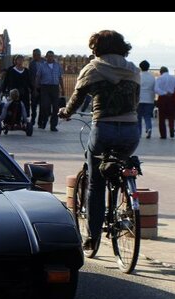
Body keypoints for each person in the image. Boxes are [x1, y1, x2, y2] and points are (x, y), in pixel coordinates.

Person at [58, 30, 141, 250]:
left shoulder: (93, 68)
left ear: (96, 48)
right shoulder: (133, 69)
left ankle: (92, 237)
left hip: (103, 128)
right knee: (121, 166)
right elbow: (136, 100)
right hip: (132, 130)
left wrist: (65, 113)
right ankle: (126, 203)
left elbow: (75, 100)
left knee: (96, 182)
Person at [36, 50, 64, 131]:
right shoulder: (42, 66)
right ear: (46, 57)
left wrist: (62, 88)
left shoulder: (57, 66)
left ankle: (53, 125)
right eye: (49, 56)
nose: (50, 58)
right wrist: (36, 87)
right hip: (45, 87)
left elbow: (60, 78)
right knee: (45, 106)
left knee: (56, 107)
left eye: (52, 56)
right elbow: (38, 77)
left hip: (55, 88)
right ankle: (43, 122)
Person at [0, 54, 32, 123]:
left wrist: (33, 90)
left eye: (21, 60)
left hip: (24, 92)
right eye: (18, 60)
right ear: (15, 61)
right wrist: (3, 90)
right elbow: (6, 81)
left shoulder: (26, 71)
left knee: (24, 106)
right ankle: (9, 119)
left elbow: (29, 82)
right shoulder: (11, 70)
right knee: (11, 105)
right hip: (13, 92)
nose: (20, 61)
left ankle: (24, 119)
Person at [154, 66, 175, 139]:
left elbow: (156, 89)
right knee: (171, 116)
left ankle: (163, 135)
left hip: (162, 98)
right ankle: (171, 130)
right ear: (167, 71)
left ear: (161, 72)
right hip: (171, 98)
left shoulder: (159, 78)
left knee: (162, 117)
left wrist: (164, 92)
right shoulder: (173, 78)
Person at [137, 60, 156, 139]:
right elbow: (155, 88)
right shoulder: (152, 77)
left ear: (140, 67)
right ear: (148, 67)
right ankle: (149, 128)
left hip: (139, 100)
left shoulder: (138, 76)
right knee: (147, 116)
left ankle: (139, 133)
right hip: (149, 100)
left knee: (138, 117)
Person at [28, 48, 44, 126]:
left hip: (43, 87)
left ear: (39, 55)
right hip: (34, 87)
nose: (34, 56)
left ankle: (40, 122)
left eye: (36, 55)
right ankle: (33, 120)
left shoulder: (44, 62)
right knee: (33, 105)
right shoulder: (32, 63)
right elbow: (31, 76)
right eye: (33, 55)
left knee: (42, 106)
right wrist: (33, 87)